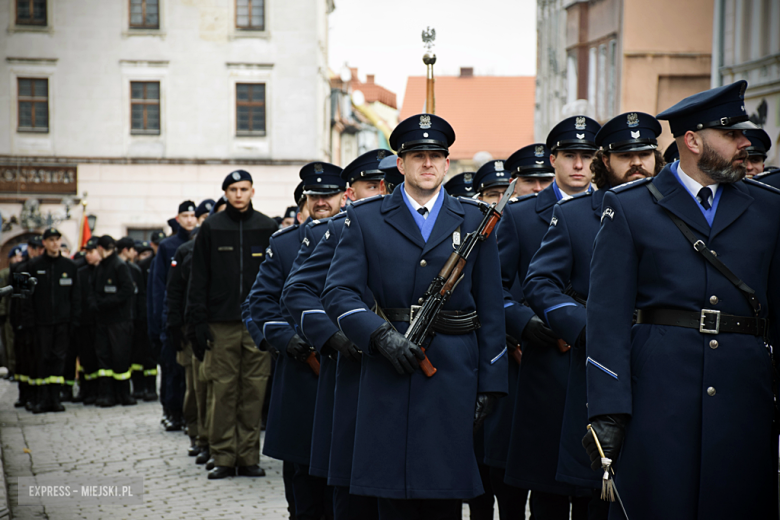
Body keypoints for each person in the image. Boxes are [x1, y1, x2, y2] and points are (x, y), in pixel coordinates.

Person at [583, 80, 780, 519]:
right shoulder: (631, 207)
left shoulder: (769, 209)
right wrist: (609, 410)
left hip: (742, 396)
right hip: (659, 396)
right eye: (731, 134)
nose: (745, 144)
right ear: (692, 140)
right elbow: (607, 316)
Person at [321, 113, 507, 520]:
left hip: (453, 372)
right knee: (391, 496)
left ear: (446, 163)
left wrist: (493, 381)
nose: (428, 164)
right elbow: (338, 291)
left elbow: (492, 306)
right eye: (418, 155)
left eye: (436, 155)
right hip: (390, 367)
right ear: (400, 164)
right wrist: (377, 336)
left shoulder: (474, 218)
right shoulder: (367, 219)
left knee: (442, 496)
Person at [523, 112, 663, 519]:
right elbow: (540, 284)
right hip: (599, 368)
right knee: (593, 493)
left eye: (645, 154)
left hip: (664, 365)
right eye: (625, 155)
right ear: (606, 161)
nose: (637, 163)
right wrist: (588, 327)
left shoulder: (677, 214)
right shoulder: (574, 215)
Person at [500, 115, 600, 518]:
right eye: (570, 156)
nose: (579, 165)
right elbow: (496, 288)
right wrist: (525, 322)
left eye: (587, 156)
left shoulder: (617, 208)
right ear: (553, 159)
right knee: (548, 492)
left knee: (597, 488)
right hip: (545, 364)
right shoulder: (521, 216)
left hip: (599, 361)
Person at [281, 150, 389, 520]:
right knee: (350, 481)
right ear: (351, 192)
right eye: (369, 185)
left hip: (403, 369)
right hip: (355, 368)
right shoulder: (342, 227)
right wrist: (333, 336)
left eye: (383, 185)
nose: (379, 192)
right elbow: (297, 291)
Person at [246, 161, 346, 518]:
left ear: (344, 195)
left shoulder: (356, 235)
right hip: (303, 369)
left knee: (343, 479)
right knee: (303, 481)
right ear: (305, 198)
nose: (322, 202)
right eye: (315, 196)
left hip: (345, 367)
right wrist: (284, 338)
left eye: (329, 195)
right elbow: (260, 302)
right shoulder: (285, 243)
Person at [187, 169, 277, 480]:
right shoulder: (212, 226)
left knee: (253, 390)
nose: (239, 194)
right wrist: (196, 322)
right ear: (225, 193)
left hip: (257, 323)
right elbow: (198, 279)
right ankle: (223, 456)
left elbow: (278, 278)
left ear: (253, 191)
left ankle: (248, 456)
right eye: (233, 189)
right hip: (221, 324)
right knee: (222, 390)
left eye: (244, 189)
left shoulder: (267, 226)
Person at [150, 201, 198, 431]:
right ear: (178, 219)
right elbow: (159, 286)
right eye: (185, 215)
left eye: (192, 215)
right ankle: (171, 412)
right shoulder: (168, 246)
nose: (189, 220)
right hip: (171, 316)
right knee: (172, 369)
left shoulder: (202, 241)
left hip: (193, 317)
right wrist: (162, 318)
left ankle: (189, 415)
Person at [28, 228, 80, 413]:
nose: (55, 243)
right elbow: (25, 297)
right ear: (44, 243)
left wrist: (74, 320)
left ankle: (55, 398)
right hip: (41, 322)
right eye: (51, 240)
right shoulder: (33, 266)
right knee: (43, 358)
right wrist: (28, 320)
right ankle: (42, 399)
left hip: (62, 322)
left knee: (59, 359)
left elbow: (76, 297)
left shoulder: (70, 266)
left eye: (57, 240)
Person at [92, 235, 136, 407]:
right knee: (104, 358)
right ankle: (106, 394)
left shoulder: (119, 265)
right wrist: (95, 303)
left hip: (119, 320)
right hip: (103, 319)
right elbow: (93, 288)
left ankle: (123, 394)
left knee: (120, 357)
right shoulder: (100, 267)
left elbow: (127, 290)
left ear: (101, 249)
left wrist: (107, 302)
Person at [10, 235, 44, 410]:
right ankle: (24, 394)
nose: (40, 252)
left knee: (36, 361)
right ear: (30, 249)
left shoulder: (42, 267)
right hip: (23, 322)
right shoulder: (21, 269)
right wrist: (19, 322)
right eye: (37, 248)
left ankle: (36, 395)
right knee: (23, 360)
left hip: (39, 322)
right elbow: (19, 299)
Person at [73, 237, 101, 404]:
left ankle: (97, 390)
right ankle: (86, 390)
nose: (88, 256)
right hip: (84, 322)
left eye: (91, 252)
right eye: (86, 252)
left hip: (99, 322)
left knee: (98, 358)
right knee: (85, 359)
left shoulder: (105, 270)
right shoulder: (81, 272)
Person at [0, 245, 24, 381]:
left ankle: (15, 368)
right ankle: (11, 368)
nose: (18, 259)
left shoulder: (22, 272)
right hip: (8, 313)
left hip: (18, 313)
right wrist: (2, 312)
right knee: (8, 342)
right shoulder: (5, 273)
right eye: (16, 257)